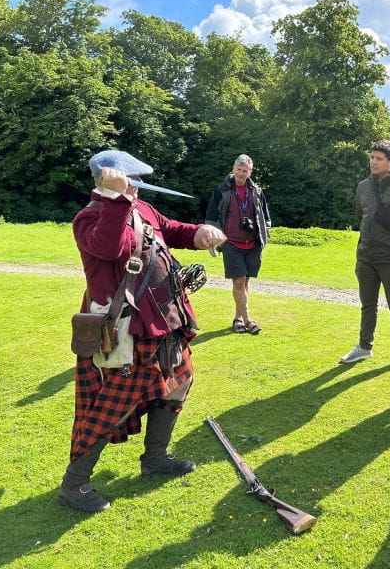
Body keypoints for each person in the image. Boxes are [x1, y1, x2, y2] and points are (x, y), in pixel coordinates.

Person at [62, 149, 226, 513]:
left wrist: (201, 232)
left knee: (180, 382)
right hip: (125, 328)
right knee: (113, 406)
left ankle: (155, 459)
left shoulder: (142, 209)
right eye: (131, 179)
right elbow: (110, 246)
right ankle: (74, 485)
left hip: (165, 320)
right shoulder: (89, 217)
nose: (137, 185)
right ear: (112, 178)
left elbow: (170, 229)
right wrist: (116, 199)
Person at [340, 139, 390, 371]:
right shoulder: (363, 186)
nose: (373, 162)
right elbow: (360, 215)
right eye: (371, 157)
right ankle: (364, 347)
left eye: (379, 158)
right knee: (367, 304)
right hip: (365, 256)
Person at [205, 154, 271, 335]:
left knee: (245, 282)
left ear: (250, 172)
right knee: (239, 281)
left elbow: (265, 215)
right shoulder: (222, 190)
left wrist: (266, 233)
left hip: (253, 243)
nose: (241, 173)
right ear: (233, 169)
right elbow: (211, 218)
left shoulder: (256, 191)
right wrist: (214, 240)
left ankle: (237, 318)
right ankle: (248, 320)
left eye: (245, 171)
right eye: (239, 170)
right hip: (231, 243)